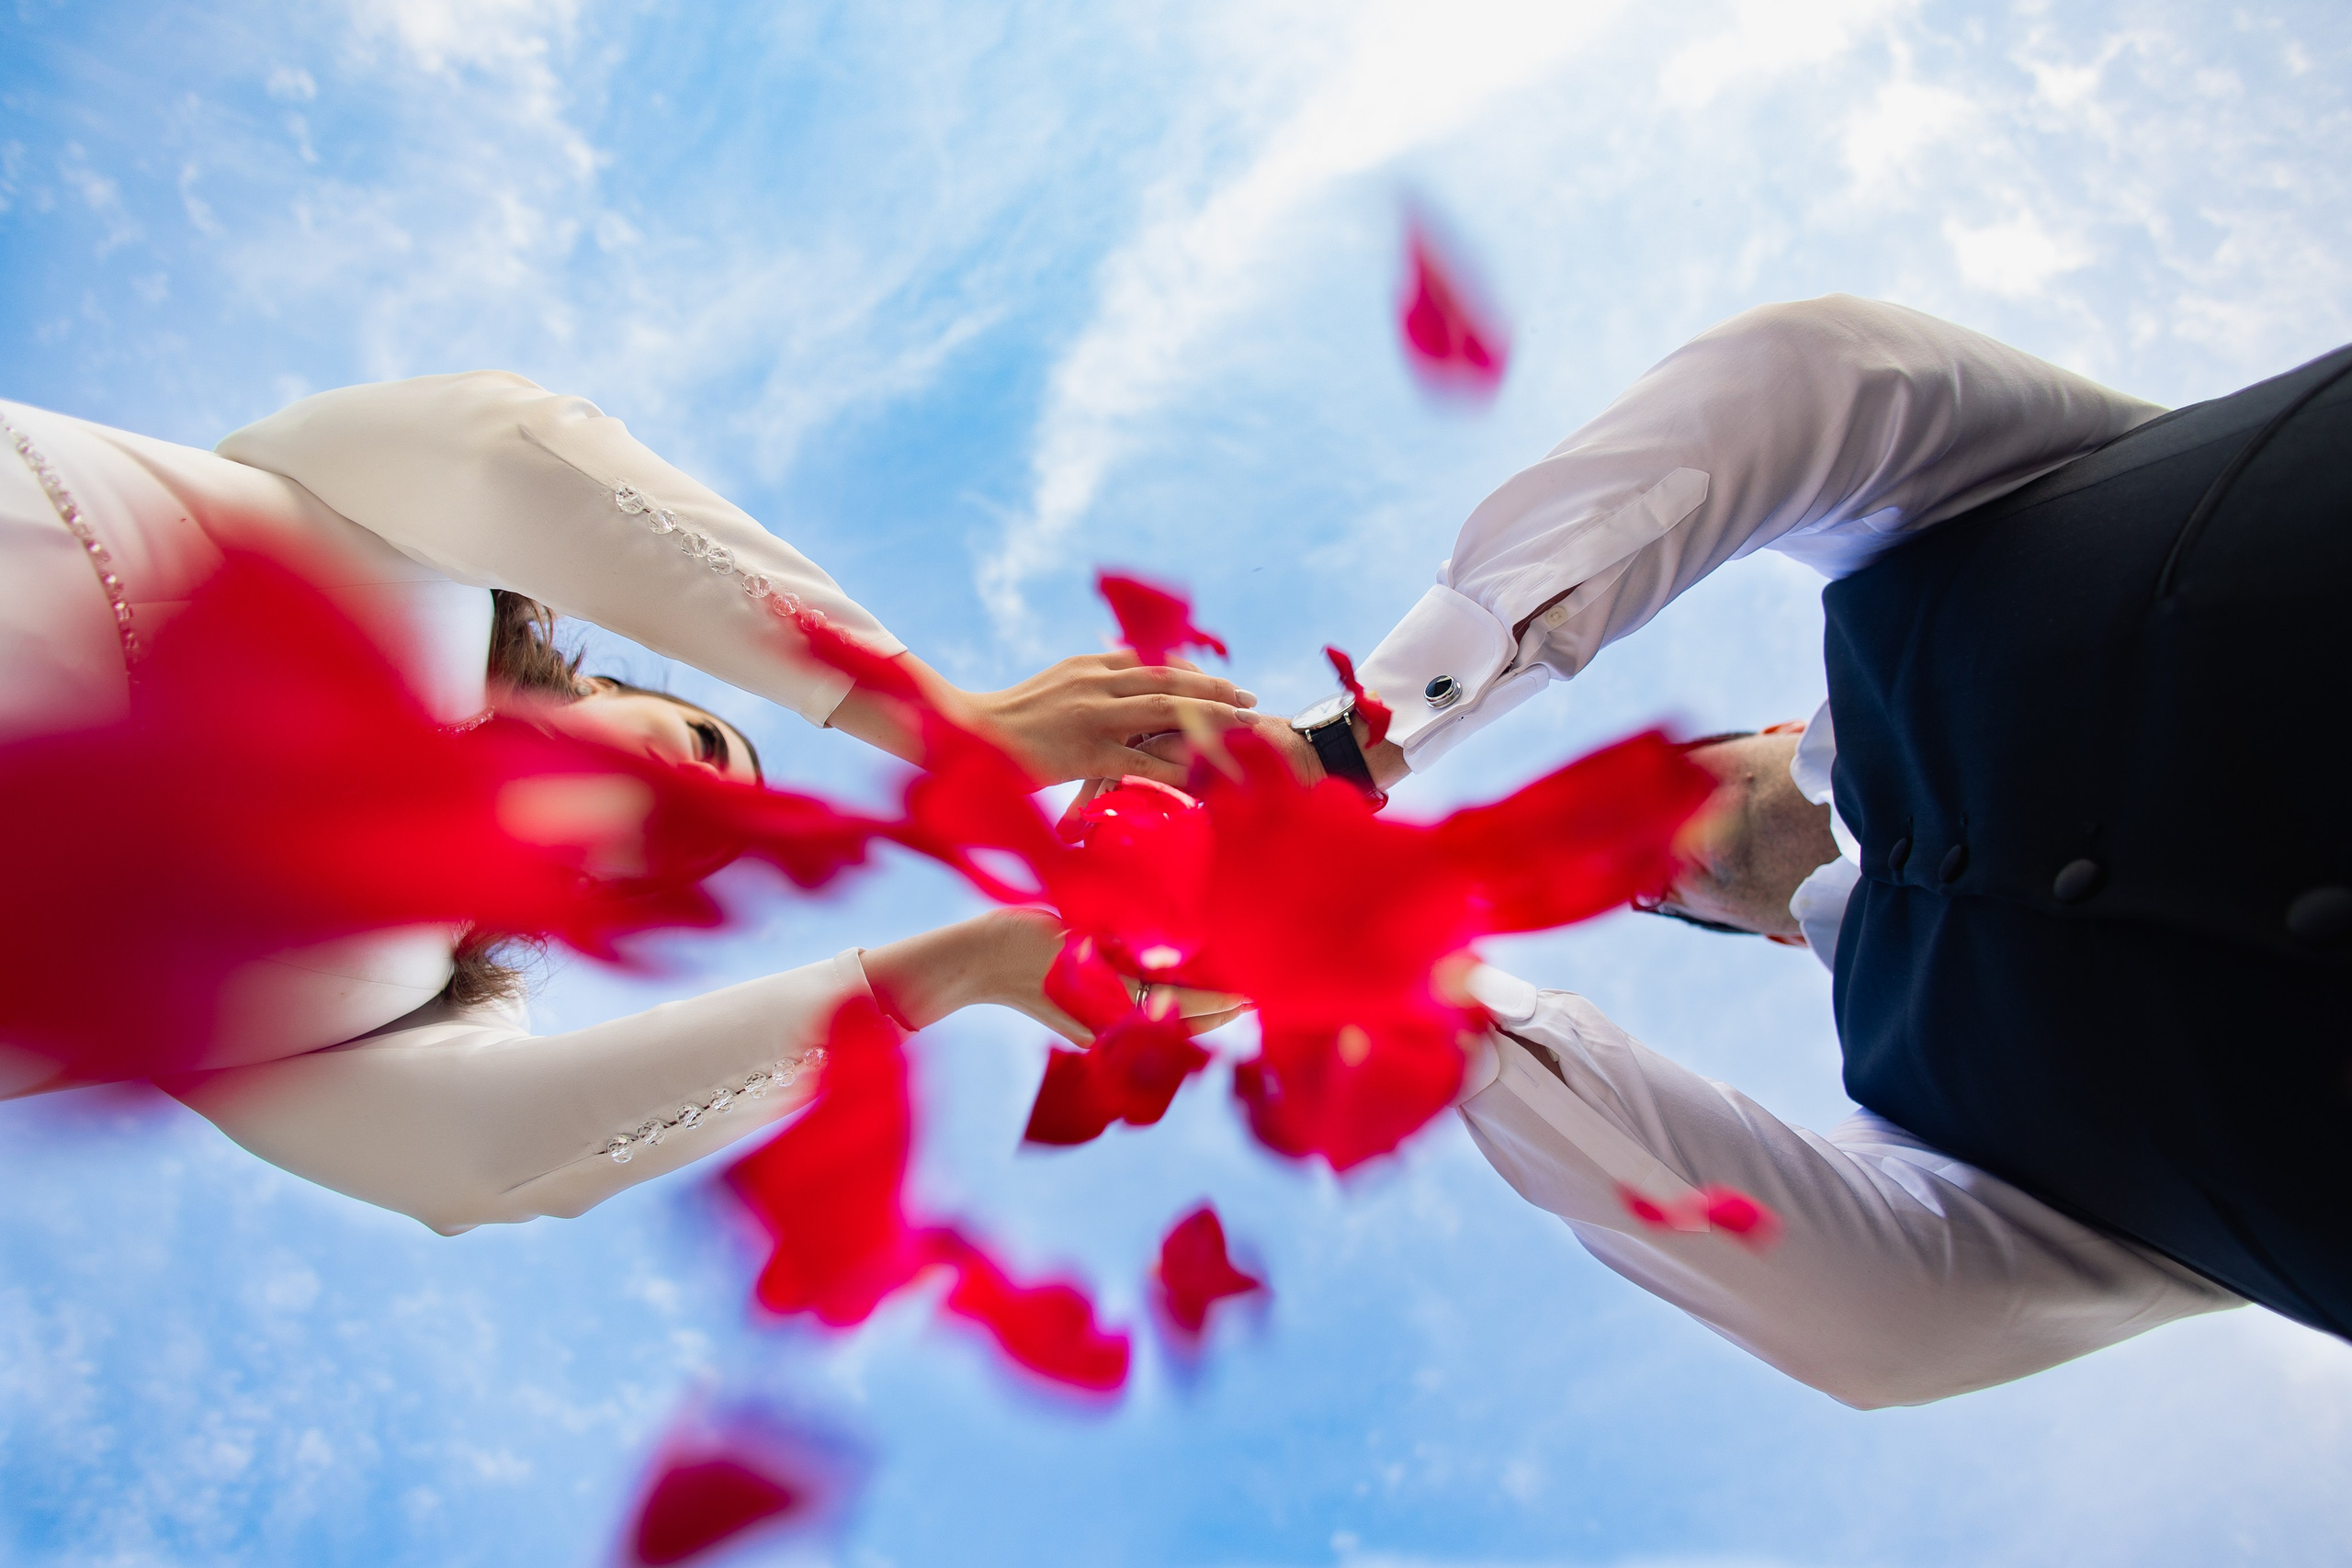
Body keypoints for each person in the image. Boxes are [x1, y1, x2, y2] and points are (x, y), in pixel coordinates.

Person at [1193, 294, 2349, 1405]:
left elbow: (1801, 375)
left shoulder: (1977, 511)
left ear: (1773, 730)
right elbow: (1881, 1330)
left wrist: (1358, 741)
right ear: (1772, 936)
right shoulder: (1991, 1163)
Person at [0, 373, 1247, 1233]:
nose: (707, 799)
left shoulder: (374, 1006)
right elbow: (509, 453)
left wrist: (974, 962)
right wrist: (930, 715)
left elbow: (492, 1157)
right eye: (711, 740)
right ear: (600, 675)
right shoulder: (389, 536)